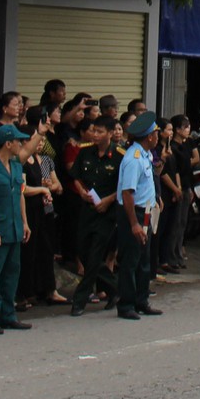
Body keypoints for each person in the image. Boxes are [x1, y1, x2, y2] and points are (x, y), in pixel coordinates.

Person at [0, 122, 39, 334]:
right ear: (8, 143)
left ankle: (8, 314)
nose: (22, 144)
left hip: (14, 227)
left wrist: (24, 222)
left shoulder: (16, 166)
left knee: (12, 273)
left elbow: (19, 194)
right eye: (19, 141)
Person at [113, 113, 164, 320]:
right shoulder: (133, 159)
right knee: (130, 260)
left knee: (144, 259)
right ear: (148, 137)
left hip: (146, 211)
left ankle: (141, 301)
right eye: (156, 134)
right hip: (133, 213)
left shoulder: (146, 154)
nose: (158, 137)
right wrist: (133, 223)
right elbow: (127, 193)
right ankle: (126, 304)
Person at [68, 114, 120, 315]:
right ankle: (115, 289)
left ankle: (80, 300)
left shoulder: (119, 155)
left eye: (100, 132)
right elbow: (76, 177)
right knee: (83, 250)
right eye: (94, 131)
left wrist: (108, 201)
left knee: (96, 253)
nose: (96, 135)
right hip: (87, 210)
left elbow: (124, 185)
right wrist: (81, 191)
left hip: (106, 212)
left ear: (109, 133)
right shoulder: (85, 152)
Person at [19, 104, 69, 309]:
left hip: (46, 210)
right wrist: (41, 189)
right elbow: (22, 188)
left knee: (46, 251)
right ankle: (26, 292)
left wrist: (51, 186)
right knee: (28, 252)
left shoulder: (46, 161)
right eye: (36, 139)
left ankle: (49, 289)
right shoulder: (21, 161)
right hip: (29, 209)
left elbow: (58, 185)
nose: (40, 143)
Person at [157, 114, 195, 273]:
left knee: (179, 224)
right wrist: (174, 189)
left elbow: (177, 170)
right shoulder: (159, 150)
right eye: (169, 129)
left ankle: (173, 256)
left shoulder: (172, 148)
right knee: (166, 227)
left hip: (179, 187)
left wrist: (179, 187)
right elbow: (163, 172)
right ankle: (164, 259)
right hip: (165, 191)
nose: (171, 133)